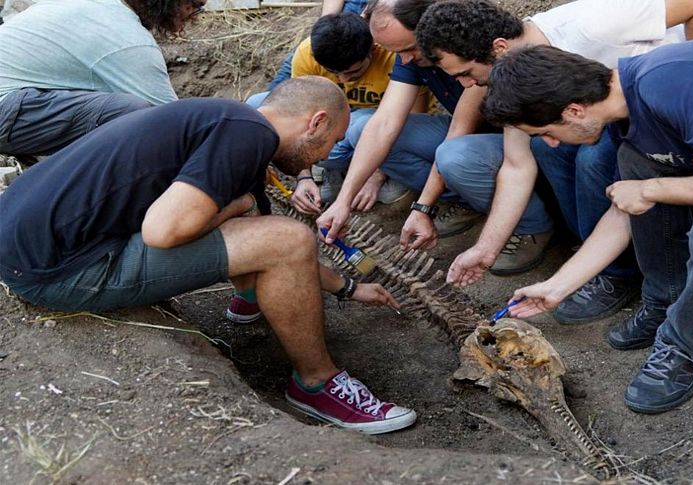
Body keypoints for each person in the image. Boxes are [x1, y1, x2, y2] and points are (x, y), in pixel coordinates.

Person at [0, 76, 416, 434]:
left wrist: (347, 287)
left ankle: (250, 299)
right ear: (316, 122)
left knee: (262, 225)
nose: (327, 155)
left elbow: (260, 232)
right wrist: (235, 209)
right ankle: (316, 385)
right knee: (284, 237)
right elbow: (163, 231)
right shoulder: (248, 137)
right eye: (334, 141)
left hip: (25, 241)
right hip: (58, 270)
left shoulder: (227, 120)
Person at [482, 42, 693, 413]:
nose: (549, 142)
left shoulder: (673, 80)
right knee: (637, 163)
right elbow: (623, 210)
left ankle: (685, 343)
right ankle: (666, 300)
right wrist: (555, 287)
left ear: (574, 111)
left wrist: (651, 188)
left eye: (545, 131)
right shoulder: (625, 109)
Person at [415, 0, 693, 324]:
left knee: (592, 158)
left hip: (664, 107)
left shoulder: (589, 25)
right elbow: (517, 166)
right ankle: (599, 256)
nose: (466, 85)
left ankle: (618, 273)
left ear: (500, 47)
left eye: (466, 73)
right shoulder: (515, 81)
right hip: (615, 122)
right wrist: (486, 249)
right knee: (550, 149)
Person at [318, 0, 555, 276]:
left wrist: (423, 206)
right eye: (396, 53)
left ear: (431, 31)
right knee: (363, 129)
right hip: (474, 141)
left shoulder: (474, 51)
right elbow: (384, 123)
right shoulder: (410, 56)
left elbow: (459, 131)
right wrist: (343, 201)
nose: (404, 59)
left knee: (454, 156)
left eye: (408, 49)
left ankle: (533, 225)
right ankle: (470, 199)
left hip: (518, 142)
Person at [247, 13, 414, 214]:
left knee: (360, 130)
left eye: (353, 72)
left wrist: (375, 176)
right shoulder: (308, 52)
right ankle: (332, 168)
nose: (343, 80)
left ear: (372, 50)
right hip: (337, 123)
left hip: (376, 126)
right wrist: (304, 176)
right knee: (257, 104)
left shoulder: (393, 56)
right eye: (334, 73)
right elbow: (297, 113)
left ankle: (384, 169)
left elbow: (408, 121)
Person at [0, 0, 197, 159]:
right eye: (195, 5)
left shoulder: (91, 7)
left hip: (15, 102)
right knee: (133, 113)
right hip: (7, 107)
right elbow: (175, 125)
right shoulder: (125, 37)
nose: (194, 15)